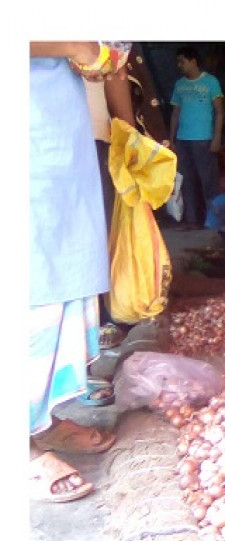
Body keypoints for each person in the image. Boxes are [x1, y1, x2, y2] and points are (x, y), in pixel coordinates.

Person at [30, 42, 122, 502]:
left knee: (62, 269)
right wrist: (75, 44)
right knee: (30, 283)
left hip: (54, 128)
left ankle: (38, 423)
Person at [85, 49, 136, 352]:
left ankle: (100, 317)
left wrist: (131, 139)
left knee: (98, 233)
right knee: (96, 232)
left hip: (94, 135)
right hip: (81, 136)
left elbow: (117, 73)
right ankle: (97, 320)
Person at [169, 45, 224, 230]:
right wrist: (172, 138)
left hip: (204, 139)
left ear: (193, 61)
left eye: (182, 61)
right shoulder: (179, 85)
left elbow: (220, 112)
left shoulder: (211, 82)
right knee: (187, 182)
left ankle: (214, 221)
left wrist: (217, 138)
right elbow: (175, 113)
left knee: (208, 182)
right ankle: (192, 220)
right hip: (183, 140)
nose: (179, 65)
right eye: (177, 62)